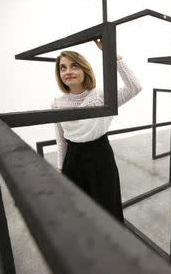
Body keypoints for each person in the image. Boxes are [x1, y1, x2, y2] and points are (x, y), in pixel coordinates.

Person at [51, 39, 142, 223]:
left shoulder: (101, 97)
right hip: (73, 160)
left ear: (84, 69)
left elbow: (134, 87)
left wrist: (112, 53)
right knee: (78, 212)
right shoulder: (57, 103)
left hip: (100, 157)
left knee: (107, 210)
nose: (68, 72)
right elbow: (61, 140)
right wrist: (61, 167)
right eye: (63, 68)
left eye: (74, 66)